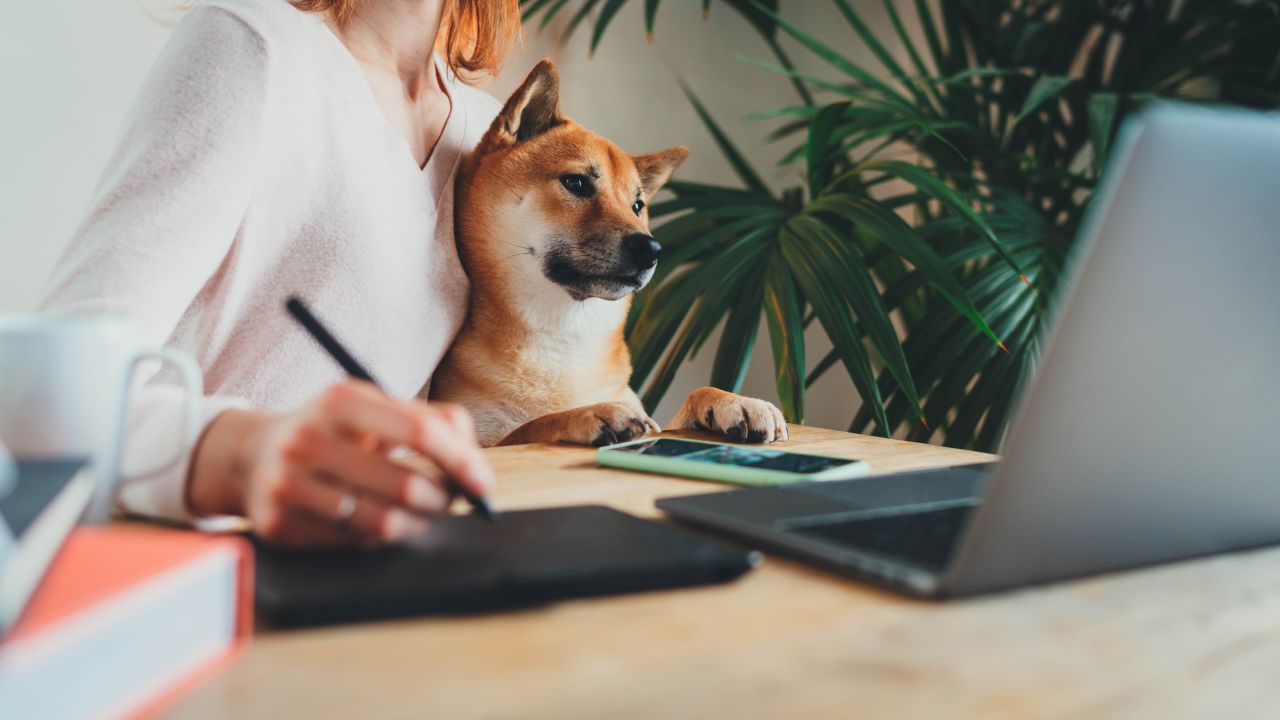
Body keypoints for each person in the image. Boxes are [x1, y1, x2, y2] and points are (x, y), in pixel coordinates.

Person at [38, 0, 521, 546]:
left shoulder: (487, 131)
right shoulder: (253, 44)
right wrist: (239, 458)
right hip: (202, 561)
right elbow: (47, 392)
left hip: (375, 563)